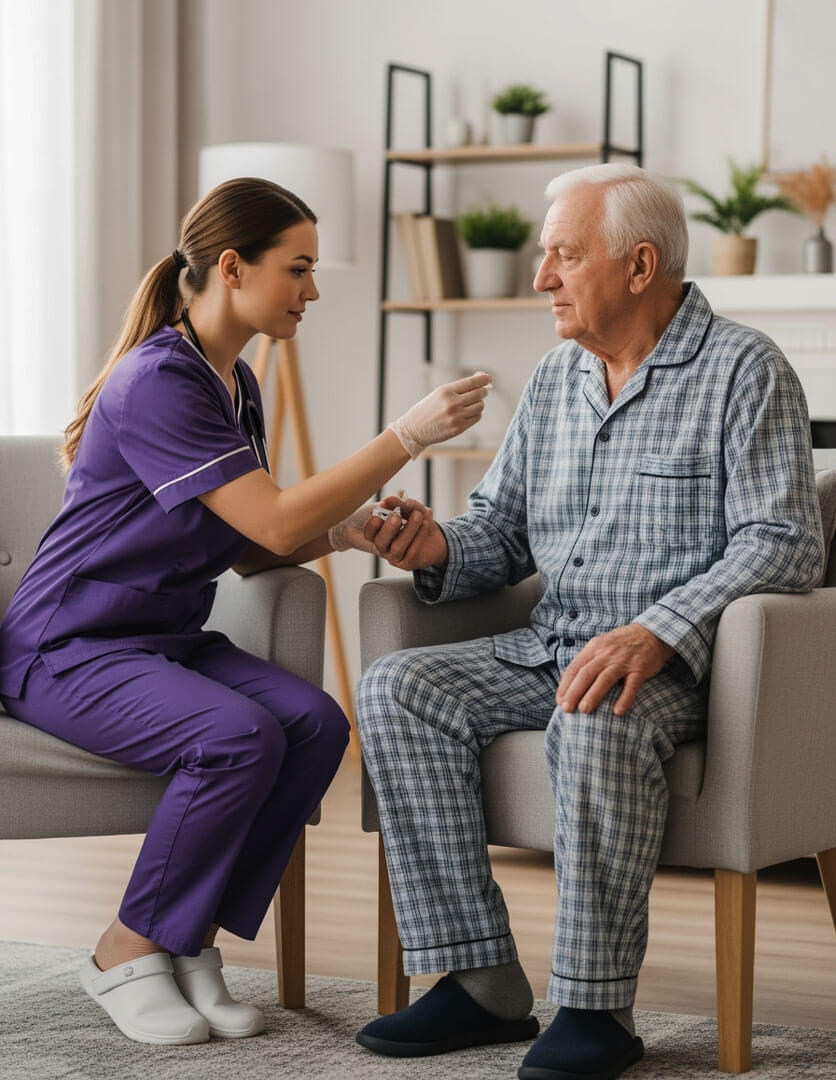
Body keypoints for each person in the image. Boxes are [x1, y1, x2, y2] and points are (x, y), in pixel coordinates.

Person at [350, 164, 824, 1080]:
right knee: (397, 687)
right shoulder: (558, 378)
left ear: (640, 265)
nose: (541, 279)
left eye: (564, 256)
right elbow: (501, 531)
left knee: (596, 713)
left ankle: (597, 1007)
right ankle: (480, 977)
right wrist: (435, 548)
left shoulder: (745, 370)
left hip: (681, 671)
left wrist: (658, 630)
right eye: (543, 257)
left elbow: (785, 539)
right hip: (550, 645)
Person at [0, 177, 490, 1046]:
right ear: (233, 267)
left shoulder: (235, 383)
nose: (313, 290)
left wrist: (344, 531)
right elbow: (266, 516)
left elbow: (246, 541)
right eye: (297, 268)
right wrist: (404, 436)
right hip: (66, 644)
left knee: (314, 724)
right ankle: (125, 947)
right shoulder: (159, 379)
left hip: (157, 639)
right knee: (235, 736)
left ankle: (181, 939)